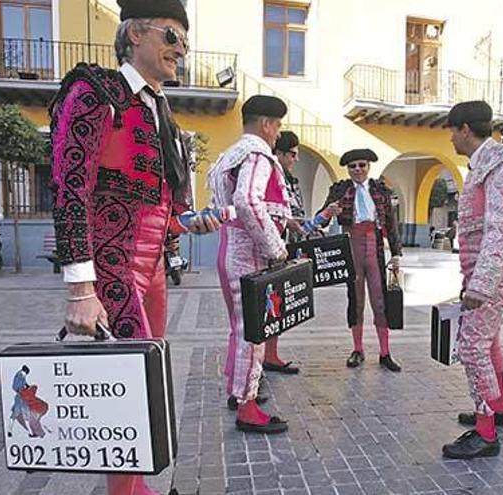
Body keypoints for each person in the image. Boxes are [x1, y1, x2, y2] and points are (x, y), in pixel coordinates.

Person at [50, 0, 219, 492]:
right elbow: (70, 187)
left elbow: (158, 201)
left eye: (184, 40)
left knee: (142, 383)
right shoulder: (95, 91)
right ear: (134, 35)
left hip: (153, 273)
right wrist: (82, 290)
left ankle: (133, 486)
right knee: (129, 391)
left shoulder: (159, 108)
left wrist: (189, 222)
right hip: (112, 271)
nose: (180, 49)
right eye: (171, 36)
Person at [438, 101, 503, 459]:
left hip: (489, 276)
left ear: (464, 129)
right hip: (482, 272)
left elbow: (501, 229)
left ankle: (486, 429)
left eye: (451, 130)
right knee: (488, 342)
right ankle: (500, 407)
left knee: (472, 347)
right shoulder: (489, 163)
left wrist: (480, 284)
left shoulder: (499, 164)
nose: (450, 138)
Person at [208, 95, 292, 434]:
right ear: (267, 124)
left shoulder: (228, 155)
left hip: (229, 248)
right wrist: (276, 247)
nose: (277, 134)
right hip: (248, 253)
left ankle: (237, 391)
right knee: (252, 331)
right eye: (278, 126)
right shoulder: (257, 153)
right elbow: (247, 200)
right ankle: (247, 405)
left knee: (240, 327)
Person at [316, 149, 402, 372]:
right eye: (353, 166)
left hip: (375, 247)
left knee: (380, 300)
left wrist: (396, 254)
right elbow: (321, 221)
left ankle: (385, 352)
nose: (357, 169)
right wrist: (328, 212)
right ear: (348, 169)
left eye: (362, 165)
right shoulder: (340, 190)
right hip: (351, 246)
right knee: (356, 300)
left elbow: (391, 225)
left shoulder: (380, 191)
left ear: (368, 166)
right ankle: (358, 349)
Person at [260, 131, 304, 375]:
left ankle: (271, 354)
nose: (295, 159)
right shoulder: (268, 173)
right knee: (263, 304)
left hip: (284, 246)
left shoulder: (291, 180)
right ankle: (256, 363)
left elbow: (294, 211)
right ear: (281, 153)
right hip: (268, 246)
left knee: (276, 303)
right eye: (293, 154)